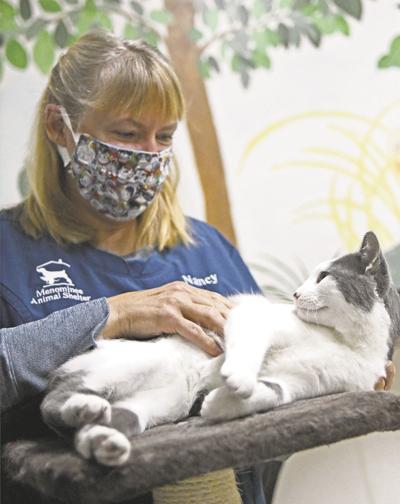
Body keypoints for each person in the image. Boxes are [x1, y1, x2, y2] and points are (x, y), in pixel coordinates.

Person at [0, 29, 395, 504]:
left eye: (164, 136)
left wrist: (343, 379)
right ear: (59, 127)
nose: (149, 154)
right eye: (127, 133)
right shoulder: (10, 250)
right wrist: (113, 314)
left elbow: (266, 414)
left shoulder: (207, 247)